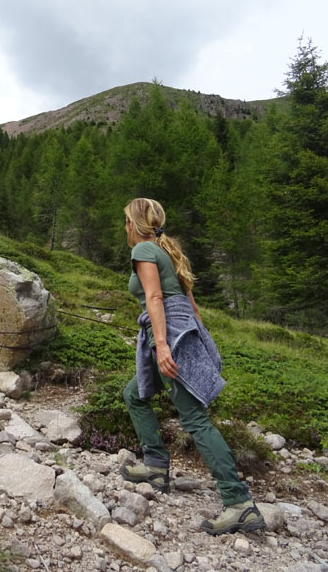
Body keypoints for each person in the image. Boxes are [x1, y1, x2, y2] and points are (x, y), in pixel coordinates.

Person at [119, 197, 265, 535]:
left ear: (134, 223)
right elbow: (190, 304)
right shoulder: (167, 250)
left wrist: (163, 345)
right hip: (182, 331)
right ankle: (155, 465)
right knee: (135, 395)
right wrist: (197, 342)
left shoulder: (143, 251)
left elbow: (156, 299)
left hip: (169, 337)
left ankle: (238, 502)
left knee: (195, 420)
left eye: (126, 220)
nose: (124, 226)